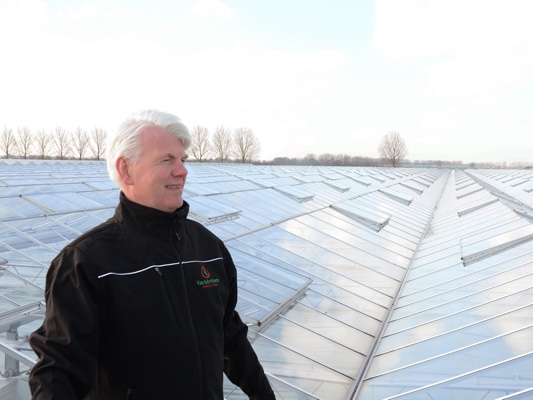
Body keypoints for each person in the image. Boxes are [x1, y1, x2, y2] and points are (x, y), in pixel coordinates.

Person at [29, 110, 276, 399]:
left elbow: (230, 337)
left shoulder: (208, 248)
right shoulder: (87, 261)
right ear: (126, 170)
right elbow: (59, 371)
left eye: (182, 160)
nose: (182, 171)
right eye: (167, 160)